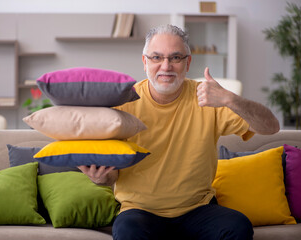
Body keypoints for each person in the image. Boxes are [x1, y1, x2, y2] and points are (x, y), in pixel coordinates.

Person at [78, 24, 280, 240]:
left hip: (198, 209)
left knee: (239, 226)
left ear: (188, 62)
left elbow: (271, 127)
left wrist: (230, 99)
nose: (166, 66)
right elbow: (111, 176)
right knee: (128, 232)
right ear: (145, 62)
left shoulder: (208, 98)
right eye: (156, 57)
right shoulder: (122, 103)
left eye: (175, 57)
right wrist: (101, 178)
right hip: (139, 212)